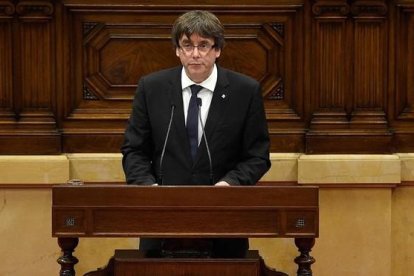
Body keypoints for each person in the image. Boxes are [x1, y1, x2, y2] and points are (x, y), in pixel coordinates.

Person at [121, 10, 271, 258]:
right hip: (161, 220)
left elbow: (257, 156)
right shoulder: (152, 88)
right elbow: (134, 150)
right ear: (177, 50)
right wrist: (148, 188)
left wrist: (230, 184)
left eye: (203, 45)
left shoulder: (245, 91)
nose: (195, 54)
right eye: (187, 45)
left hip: (223, 221)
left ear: (217, 50)